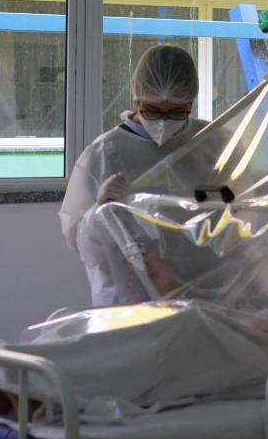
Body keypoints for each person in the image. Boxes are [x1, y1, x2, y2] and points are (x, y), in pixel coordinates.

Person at [59, 45, 210, 306]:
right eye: (152, 110)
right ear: (137, 100)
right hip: (128, 299)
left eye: (175, 111)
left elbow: (243, 220)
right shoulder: (105, 153)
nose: (163, 121)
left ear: (191, 101)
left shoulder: (210, 143)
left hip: (204, 295)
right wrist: (98, 210)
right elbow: (78, 240)